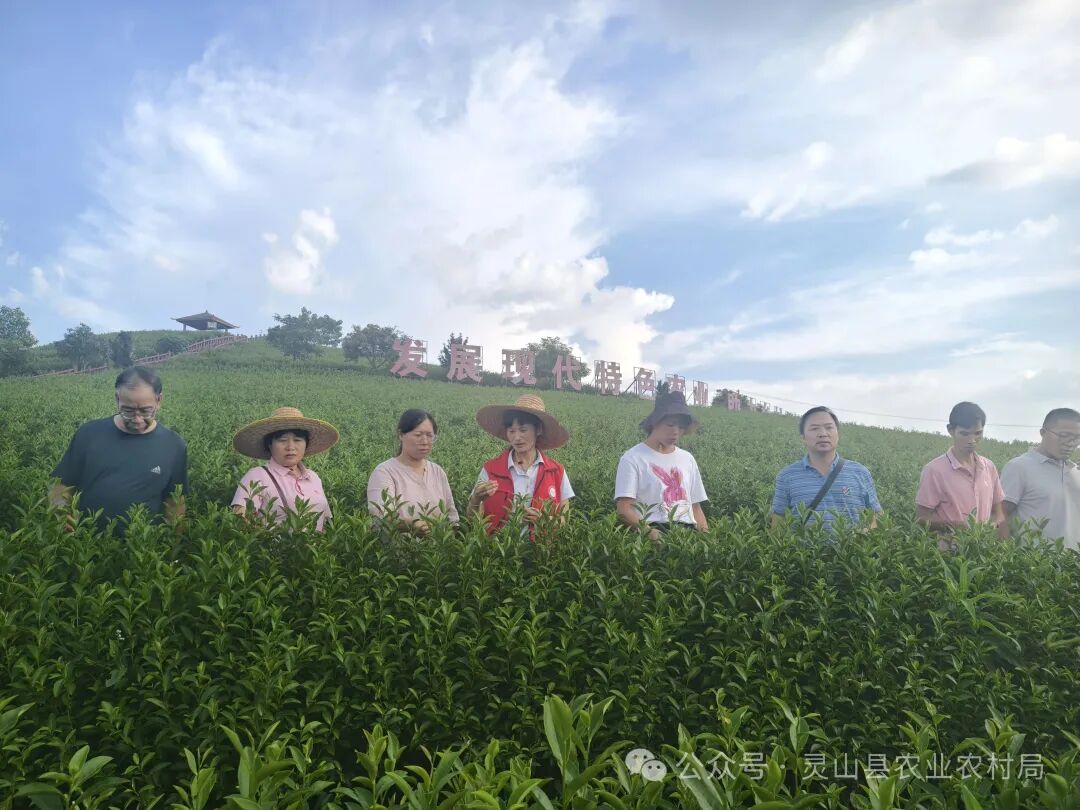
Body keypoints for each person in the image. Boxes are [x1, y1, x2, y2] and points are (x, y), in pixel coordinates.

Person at [49, 366, 188, 533]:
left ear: (159, 401)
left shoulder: (174, 445)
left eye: (145, 411)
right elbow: (61, 485)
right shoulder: (89, 434)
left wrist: (174, 542)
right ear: (117, 399)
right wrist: (60, 515)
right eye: (128, 410)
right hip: (85, 541)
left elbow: (174, 503)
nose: (137, 419)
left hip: (142, 545)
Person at [467, 393, 573, 538]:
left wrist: (544, 520)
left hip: (541, 550)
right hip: (498, 549)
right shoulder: (491, 469)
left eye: (523, 430)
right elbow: (472, 521)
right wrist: (475, 499)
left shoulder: (556, 471)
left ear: (538, 429)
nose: (517, 437)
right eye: (511, 431)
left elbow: (565, 519)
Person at [615, 391, 708, 541]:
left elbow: (695, 507)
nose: (675, 431)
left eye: (681, 427)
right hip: (652, 531)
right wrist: (650, 533)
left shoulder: (687, 459)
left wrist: (706, 539)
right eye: (670, 424)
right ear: (655, 422)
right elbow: (624, 509)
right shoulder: (633, 458)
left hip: (688, 535)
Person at [771, 406, 881, 531]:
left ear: (838, 434)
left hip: (852, 545)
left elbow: (876, 515)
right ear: (803, 437)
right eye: (814, 428)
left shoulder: (860, 472)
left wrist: (864, 534)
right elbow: (777, 524)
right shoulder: (787, 476)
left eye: (829, 427)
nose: (823, 434)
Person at [915, 402, 1007, 549]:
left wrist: (991, 529)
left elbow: (999, 513)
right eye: (964, 433)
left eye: (978, 433)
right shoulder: (934, 470)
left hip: (984, 551)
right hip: (949, 555)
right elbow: (921, 518)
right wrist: (953, 525)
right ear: (951, 430)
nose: (972, 440)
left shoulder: (989, 467)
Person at [231, 407, 339, 531]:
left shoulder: (313, 477)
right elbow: (241, 521)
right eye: (282, 440)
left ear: (306, 444)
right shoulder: (257, 476)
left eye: (297, 440)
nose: (290, 447)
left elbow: (324, 523)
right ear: (269, 445)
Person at [367, 409, 459, 535]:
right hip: (400, 547)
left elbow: (451, 518)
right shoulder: (384, 472)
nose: (425, 441)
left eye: (429, 435)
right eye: (418, 435)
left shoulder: (437, 472)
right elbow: (381, 518)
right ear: (401, 435)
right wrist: (411, 524)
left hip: (438, 546)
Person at [1001, 407, 1080, 550]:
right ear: (1043, 433)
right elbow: (1000, 516)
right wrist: (1004, 554)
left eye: (1076, 438)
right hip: (1033, 561)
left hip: (1071, 561)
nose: (1071, 443)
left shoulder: (1075, 471)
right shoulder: (1019, 467)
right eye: (1064, 435)